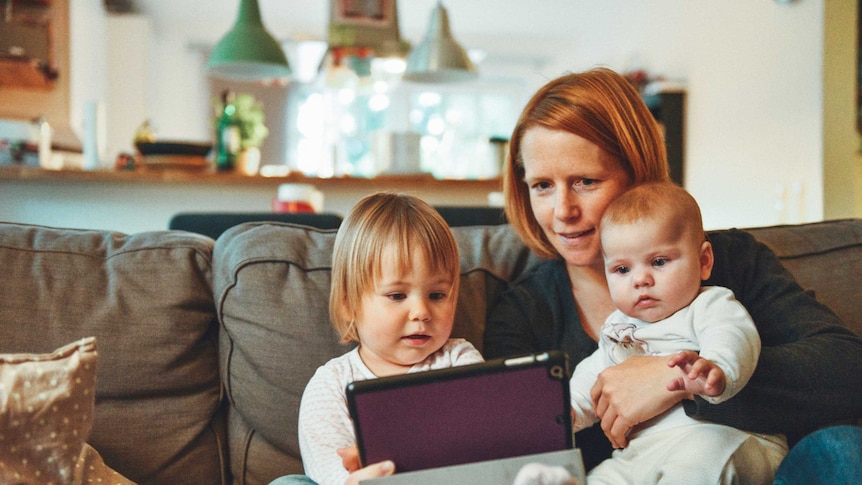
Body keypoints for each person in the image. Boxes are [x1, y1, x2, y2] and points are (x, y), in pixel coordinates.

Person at [482, 67, 862, 477]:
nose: (562, 212)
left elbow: (847, 370)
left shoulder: (728, 261)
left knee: (841, 449)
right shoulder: (523, 312)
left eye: (586, 181)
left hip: (749, 465)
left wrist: (673, 381)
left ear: (637, 173)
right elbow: (518, 442)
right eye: (542, 186)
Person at [568, 180, 786, 484]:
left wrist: (716, 368)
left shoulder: (709, 304)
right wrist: (569, 411)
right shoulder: (616, 327)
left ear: (703, 261)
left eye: (658, 262)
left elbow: (733, 335)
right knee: (605, 476)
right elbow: (595, 374)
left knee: (697, 464)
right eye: (622, 270)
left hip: (722, 438)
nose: (640, 280)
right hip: (643, 452)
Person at [285, 192, 484, 485]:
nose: (421, 312)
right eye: (397, 295)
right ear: (347, 303)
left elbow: (483, 443)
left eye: (437, 295)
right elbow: (329, 469)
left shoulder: (460, 361)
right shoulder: (331, 384)